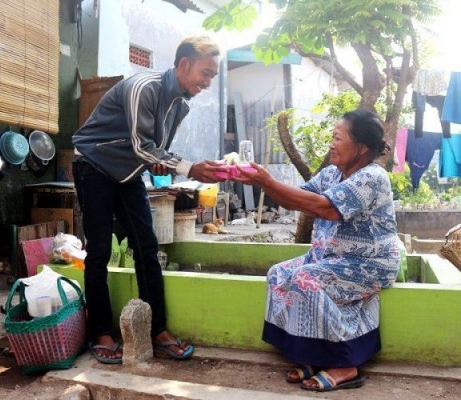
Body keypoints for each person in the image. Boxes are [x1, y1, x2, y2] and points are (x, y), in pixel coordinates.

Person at [72, 35, 227, 364]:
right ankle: (99, 330)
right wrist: (191, 167)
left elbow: (154, 154)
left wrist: (168, 164)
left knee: (147, 246)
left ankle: (157, 329)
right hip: (94, 164)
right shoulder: (145, 86)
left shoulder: (180, 105)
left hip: (127, 174)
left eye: (213, 75)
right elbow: (143, 146)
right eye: (206, 73)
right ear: (184, 65)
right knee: (98, 249)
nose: (208, 82)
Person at [233, 109, 400, 392]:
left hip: (368, 262)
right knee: (278, 274)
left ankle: (345, 363)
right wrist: (259, 179)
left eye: (338, 138)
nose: (331, 144)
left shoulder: (373, 177)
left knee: (305, 279)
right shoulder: (332, 173)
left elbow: (326, 208)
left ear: (360, 147)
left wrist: (267, 182)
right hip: (329, 256)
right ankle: (312, 355)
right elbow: (294, 201)